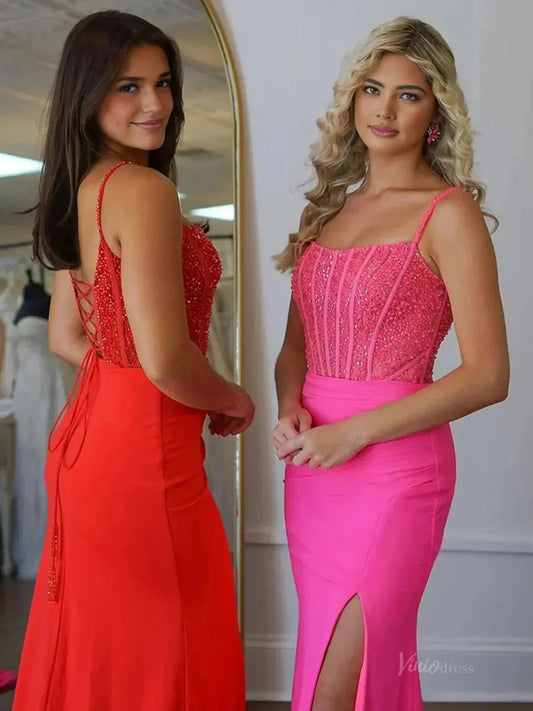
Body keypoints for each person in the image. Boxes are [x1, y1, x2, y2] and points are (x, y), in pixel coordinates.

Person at [13, 10, 254, 710]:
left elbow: (66, 337)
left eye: (163, 82)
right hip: (146, 452)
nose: (155, 103)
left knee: (118, 640)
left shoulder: (85, 188)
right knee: (174, 640)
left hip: (93, 440)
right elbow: (167, 361)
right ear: (88, 95)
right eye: (128, 86)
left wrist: (123, 369)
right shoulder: (144, 191)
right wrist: (233, 397)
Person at [273, 16, 509, 711]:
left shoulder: (449, 214)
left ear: (436, 113)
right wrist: (289, 407)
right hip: (314, 468)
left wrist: (354, 432)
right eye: (372, 89)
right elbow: (294, 350)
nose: (384, 109)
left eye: (409, 95)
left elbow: (488, 374)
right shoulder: (326, 213)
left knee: (340, 687)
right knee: (329, 670)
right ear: (352, 99)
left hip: (396, 473)